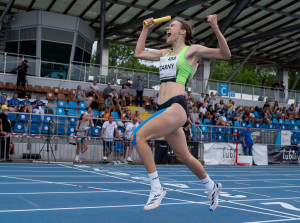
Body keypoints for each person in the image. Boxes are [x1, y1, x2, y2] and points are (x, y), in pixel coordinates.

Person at [133, 15, 230, 211]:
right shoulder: (164, 53)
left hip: (176, 106)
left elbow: (225, 54)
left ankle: (156, 188)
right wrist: (145, 29)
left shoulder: (191, 50)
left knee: (138, 137)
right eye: (167, 27)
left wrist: (215, 27)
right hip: (163, 107)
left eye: (172, 26)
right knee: (182, 156)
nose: (167, 29)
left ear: (183, 31)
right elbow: (139, 54)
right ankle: (211, 186)